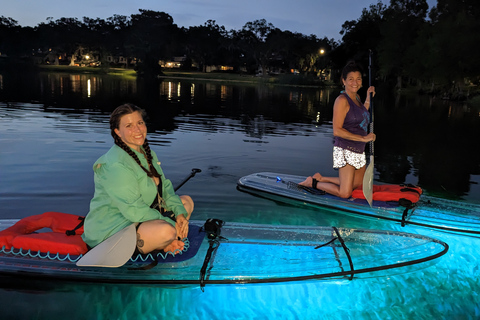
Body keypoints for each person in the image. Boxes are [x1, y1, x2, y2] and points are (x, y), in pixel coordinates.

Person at [82, 103, 194, 255]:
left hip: (141, 216)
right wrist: (171, 222)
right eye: (129, 126)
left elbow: (166, 189)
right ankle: (165, 243)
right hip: (114, 227)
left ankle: (166, 242)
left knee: (186, 202)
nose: (137, 129)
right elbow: (134, 211)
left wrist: (180, 214)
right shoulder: (115, 164)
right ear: (118, 132)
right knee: (167, 231)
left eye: (140, 123)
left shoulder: (147, 153)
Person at [299, 61, 376, 198]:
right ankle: (313, 183)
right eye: (351, 79)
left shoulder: (357, 98)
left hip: (359, 148)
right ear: (343, 81)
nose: (355, 82)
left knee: (357, 185)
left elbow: (362, 114)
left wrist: (368, 99)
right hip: (346, 149)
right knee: (345, 193)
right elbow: (337, 131)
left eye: (358, 79)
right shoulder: (342, 100)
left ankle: (321, 178)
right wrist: (364, 138)